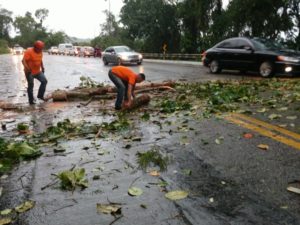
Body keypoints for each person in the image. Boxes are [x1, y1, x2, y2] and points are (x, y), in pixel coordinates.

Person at [22, 40, 48, 105]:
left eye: (41, 49)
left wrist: (42, 67)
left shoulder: (40, 51)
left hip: (37, 71)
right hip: (30, 72)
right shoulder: (29, 51)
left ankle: (40, 96)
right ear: (35, 47)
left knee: (44, 81)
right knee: (31, 86)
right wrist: (27, 69)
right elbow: (23, 61)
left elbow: (40, 59)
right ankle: (31, 101)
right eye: (40, 49)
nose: (41, 50)